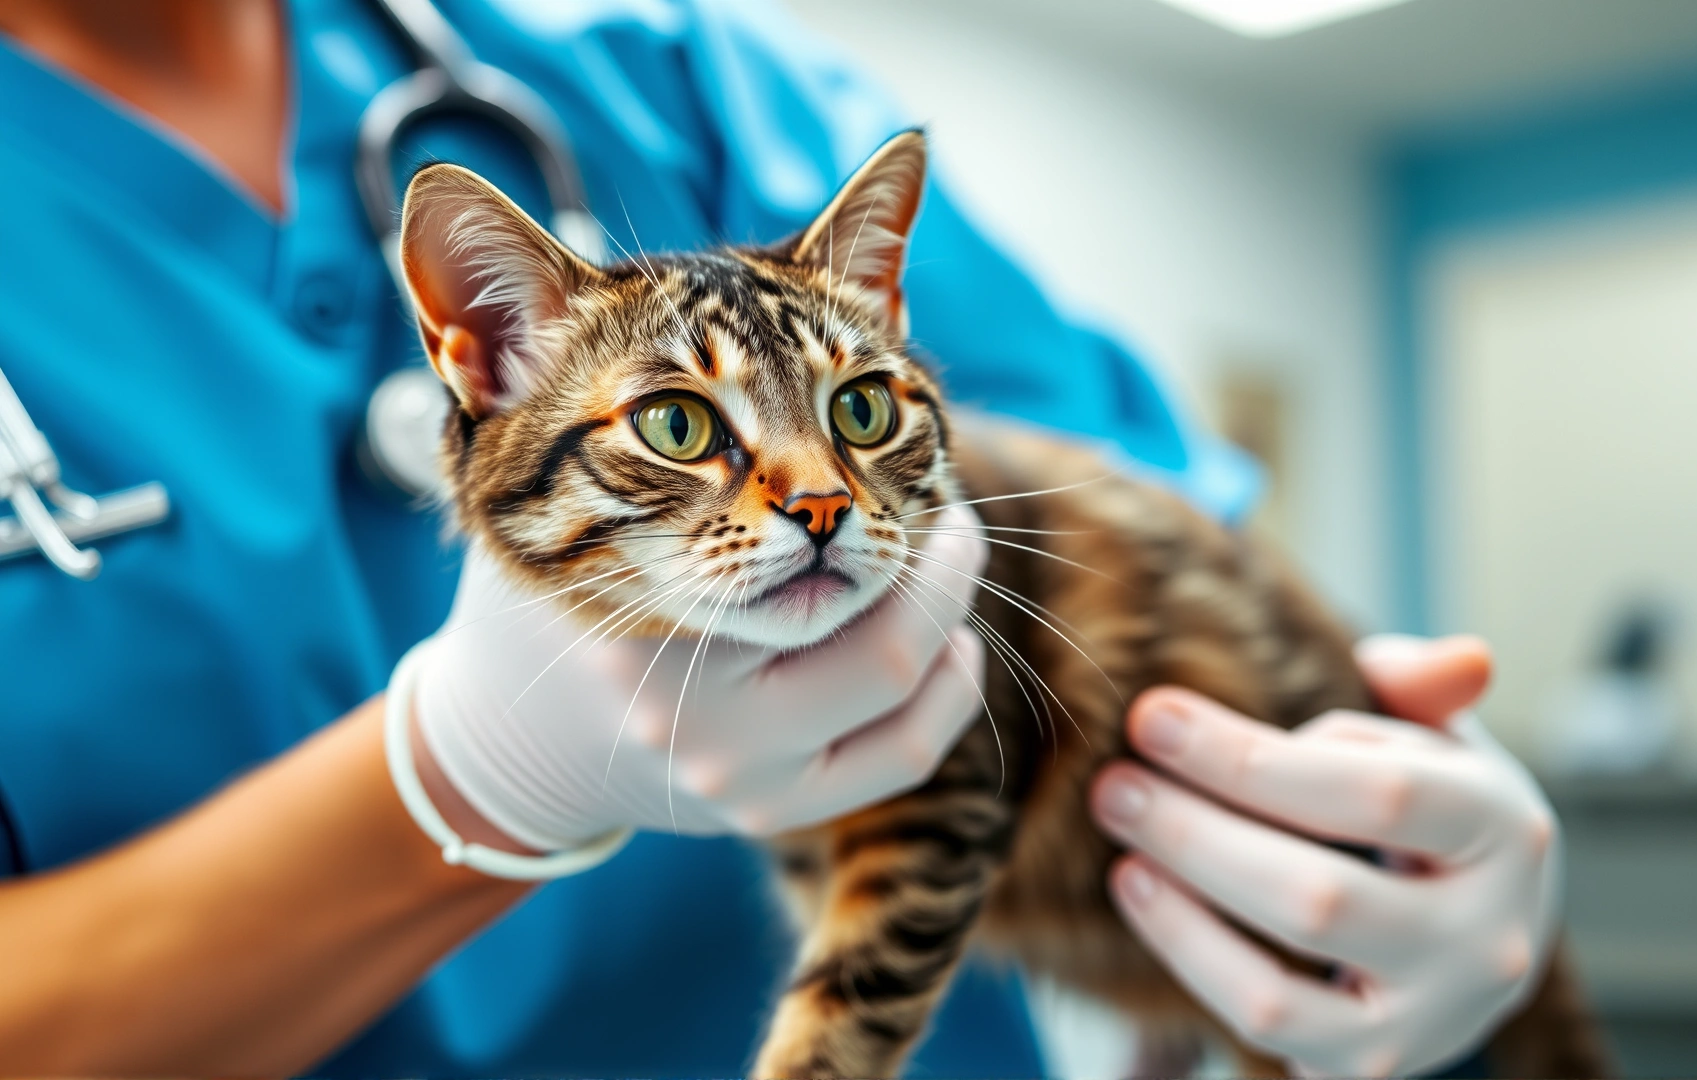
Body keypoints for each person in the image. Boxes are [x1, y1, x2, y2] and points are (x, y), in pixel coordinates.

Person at [0, 0, 1562, 1075]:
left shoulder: (648, 68)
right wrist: (465, 780)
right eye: (681, 423)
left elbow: (1142, 520)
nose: (812, 492)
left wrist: (1404, 797)